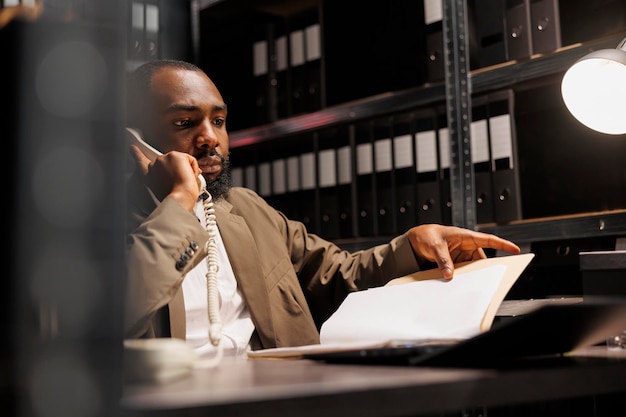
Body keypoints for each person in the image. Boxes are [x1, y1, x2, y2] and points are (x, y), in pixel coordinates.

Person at [124, 59, 521, 358]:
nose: (210, 138)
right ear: (135, 141)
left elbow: (340, 276)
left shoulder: (247, 210)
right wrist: (178, 202)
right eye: (184, 123)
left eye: (220, 120)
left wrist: (414, 246)